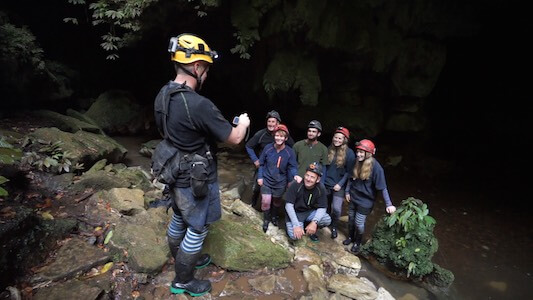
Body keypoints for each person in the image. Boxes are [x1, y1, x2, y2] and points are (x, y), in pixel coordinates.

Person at [154, 33, 250, 297]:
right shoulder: (199, 105)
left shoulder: (163, 94)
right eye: (205, 68)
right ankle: (183, 280)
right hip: (194, 178)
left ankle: (184, 259)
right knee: (197, 227)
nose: (206, 74)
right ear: (196, 66)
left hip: (174, 171)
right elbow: (234, 139)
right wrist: (242, 122)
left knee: (179, 217)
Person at [344, 139, 396, 254]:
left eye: (362, 152)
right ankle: (350, 237)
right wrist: (347, 191)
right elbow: (350, 178)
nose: (358, 154)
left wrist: (388, 204)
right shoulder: (355, 162)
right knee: (351, 219)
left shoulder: (377, 168)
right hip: (353, 197)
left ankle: (357, 242)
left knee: (359, 223)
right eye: (358, 152)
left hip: (365, 201)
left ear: (369, 153)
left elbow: (382, 187)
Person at [245, 110, 294, 207]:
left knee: (277, 192)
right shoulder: (261, 134)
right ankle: (253, 205)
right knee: (257, 187)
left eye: (273, 121)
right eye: (269, 121)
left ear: (278, 123)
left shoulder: (283, 135)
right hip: (263, 165)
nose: (270, 124)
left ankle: (273, 212)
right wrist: (255, 160)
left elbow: (293, 149)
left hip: (279, 167)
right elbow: (249, 146)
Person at [257, 124, 298, 232]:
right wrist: (260, 177)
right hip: (267, 179)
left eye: (281, 136)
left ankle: (274, 216)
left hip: (280, 182)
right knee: (266, 201)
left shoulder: (289, 152)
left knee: (276, 200)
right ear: (274, 136)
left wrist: (295, 176)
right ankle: (266, 219)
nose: (279, 138)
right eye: (277, 135)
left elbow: (292, 167)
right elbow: (261, 163)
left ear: (286, 138)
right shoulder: (268, 148)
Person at [285, 162, 331, 242]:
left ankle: (309, 227)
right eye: (307, 175)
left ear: (318, 179)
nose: (308, 179)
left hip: (308, 212)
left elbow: (322, 207)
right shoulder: (296, 184)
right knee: (295, 236)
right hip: (295, 214)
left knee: (326, 219)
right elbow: (288, 206)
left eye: (312, 177)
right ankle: (297, 225)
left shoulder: (320, 188)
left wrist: (314, 222)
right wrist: (296, 225)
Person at [324, 126, 355, 239]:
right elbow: (324, 167)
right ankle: (325, 223)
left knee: (336, 208)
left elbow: (349, 172)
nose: (337, 140)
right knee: (325, 205)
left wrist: (340, 184)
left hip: (338, 185)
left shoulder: (350, 153)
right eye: (335, 137)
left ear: (344, 140)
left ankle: (334, 226)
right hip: (326, 183)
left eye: (340, 138)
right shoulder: (329, 149)